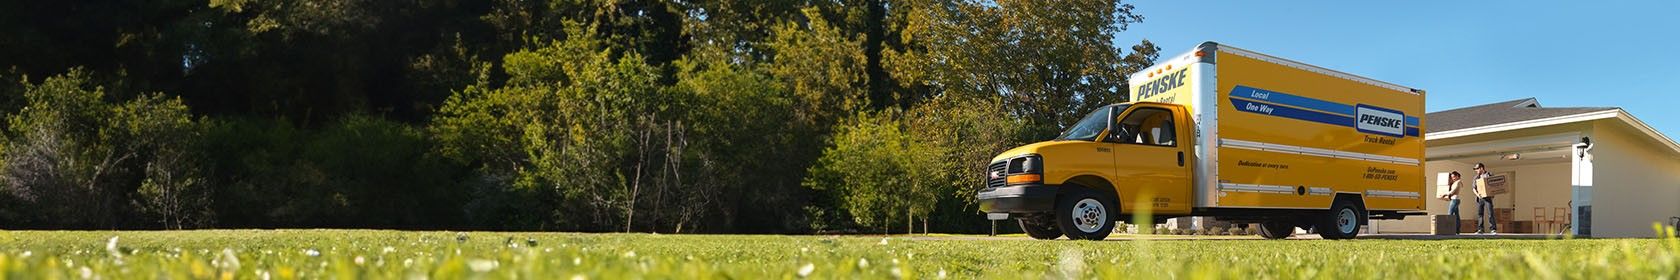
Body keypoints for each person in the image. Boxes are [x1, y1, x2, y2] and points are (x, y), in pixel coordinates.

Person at [1472, 163, 1497, 234]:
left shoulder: (1489, 175)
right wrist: (1478, 195)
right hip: (1480, 198)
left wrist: (1492, 193)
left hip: (1488, 197)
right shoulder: (1476, 177)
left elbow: (1494, 185)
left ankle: (1493, 229)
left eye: (1477, 169)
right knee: (1480, 214)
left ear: (1481, 168)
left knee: (1490, 213)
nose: (1476, 170)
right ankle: (1480, 229)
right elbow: (1473, 188)